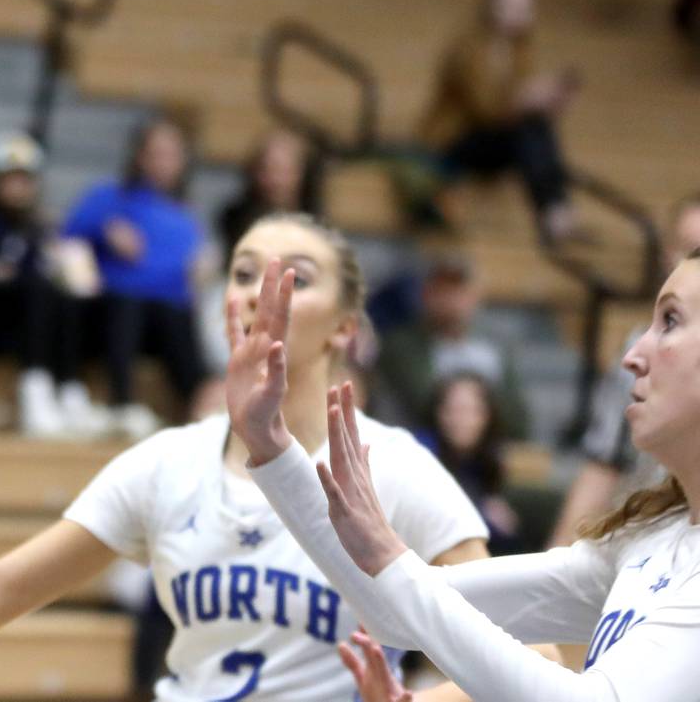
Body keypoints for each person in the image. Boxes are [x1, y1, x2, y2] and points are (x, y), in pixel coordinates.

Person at [0, 213, 494, 702]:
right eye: (245, 272)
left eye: (296, 278)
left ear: (347, 324)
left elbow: (532, 661)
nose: (263, 294)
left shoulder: (395, 469)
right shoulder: (166, 464)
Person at [234, 239, 700, 702]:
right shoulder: (654, 538)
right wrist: (270, 445)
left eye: (670, 321)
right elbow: (393, 610)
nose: (633, 354)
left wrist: (388, 555)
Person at [549, 193, 700, 548]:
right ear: (667, 253)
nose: (633, 359)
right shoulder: (642, 351)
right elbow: (600, 469)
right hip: (652, 546)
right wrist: (559, 553)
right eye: (689, 248)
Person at [62, 117, 206, 436]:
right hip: (110, 312)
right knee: (129, 305)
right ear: (139, 156)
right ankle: (121, 403)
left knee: (177, 314)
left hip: (166, 316)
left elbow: (187, 275)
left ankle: (199, 406)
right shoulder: (109, 198)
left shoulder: (185, 217)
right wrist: (104, 231)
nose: (163, 162)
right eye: (156, 153)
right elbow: (67, 233)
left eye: (172, 154)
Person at [418, 0, 581, 243]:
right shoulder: (467, 47)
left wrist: (550, 101)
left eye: (523, 6)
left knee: (535, 126)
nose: (516, 12)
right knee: (528, 127)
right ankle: (553, 208)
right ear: (491, 3)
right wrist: (526, 99)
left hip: (495, 141)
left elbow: (517, 107)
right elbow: (486, 109)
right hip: (453, 141)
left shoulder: (519, 50)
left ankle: (555, 207)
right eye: (510, 4)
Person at [0, 130, 96, 437]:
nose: (19, 188)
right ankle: (35, 389)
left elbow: (75, 277)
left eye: (25, 179)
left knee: (62, 292)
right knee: (37, 288)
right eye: (10, 178)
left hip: (28, 317)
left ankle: (69, 388)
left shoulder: (41, 224)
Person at [368, 250, 529, 440]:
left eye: (459, 291)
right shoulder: (400, 345)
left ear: (475, 296)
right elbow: (423, 404)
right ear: (426, 294)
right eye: (442, 290)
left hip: (486, 454)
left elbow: (518, 417)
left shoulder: (494, 346)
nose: (451, 300)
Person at [418, 372, 522, 555]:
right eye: (454, 409)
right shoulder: (422, 450)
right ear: (438, 413)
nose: (462, 420)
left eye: (472, 410)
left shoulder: (487, 456)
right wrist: (485, 513)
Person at [217, 128, 322, 262]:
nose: (273, 179)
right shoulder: (231, 219)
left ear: (301, 174)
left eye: (282, 171)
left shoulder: (318, 228)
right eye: (265, 169)